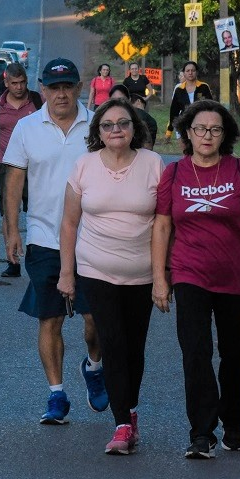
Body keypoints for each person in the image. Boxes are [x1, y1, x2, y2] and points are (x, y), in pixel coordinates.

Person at [151, 99, 240, 459]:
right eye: (200, 129)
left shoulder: (238, 169)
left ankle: (233, 422)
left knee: (234, 354)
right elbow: (161, 226)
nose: (207, 135)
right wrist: (160, 277)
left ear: (225, 135)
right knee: (196, 352)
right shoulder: (173, 174)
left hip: (236, 275)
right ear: (188, 133)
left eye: (215, 129)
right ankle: (201, 432)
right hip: (190, 273)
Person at [3, 57, 109, 424]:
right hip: (44, 238)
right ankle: (56, 395)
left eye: (68, 87)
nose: (61, 94)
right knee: (49, 319)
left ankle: (94, 366)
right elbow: (14, 180)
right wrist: (11, 229)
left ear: (80, 88)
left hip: (94, 238)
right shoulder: (27, 128)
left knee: (95, 319)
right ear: (43, 90)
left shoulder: (98, 124)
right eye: (53, 87)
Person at [58, 98, 163, 455]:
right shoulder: (84, 165)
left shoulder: (153, 164)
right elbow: (70, 222)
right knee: (113, 343)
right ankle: (121, 425)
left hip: (143, 273)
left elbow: (165, 224)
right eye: (107, 125)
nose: (115, 129)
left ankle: (130, 412)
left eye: (123, 123)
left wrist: (164, 274)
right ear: (97, 132)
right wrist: (66, 273)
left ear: (134, 129)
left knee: (135, 348)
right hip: (96, 270)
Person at [0, 62, 43, 278]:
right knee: (9, 214)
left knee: (40, 210)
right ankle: (13, 261)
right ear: (6, 82)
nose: (19, 87)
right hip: (7, 166)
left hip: (36, 165)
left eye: (23, 82)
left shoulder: (38, 101)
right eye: (15, 83)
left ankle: (41, 256)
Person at [164, 61, 213, 142]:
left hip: (201, 125)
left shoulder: (203, 87)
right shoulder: (179, 90)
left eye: (193, 70)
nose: (190, 73)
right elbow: (174, 112)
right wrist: (169, 131)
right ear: (184, 73)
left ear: (196, 72)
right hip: (184, 124)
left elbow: (211, 106)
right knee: (186, 152)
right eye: (187, 71)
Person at [109, 84, 156, 150]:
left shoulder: (140, 118)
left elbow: (148, 148)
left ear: (129, 100)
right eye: (113, 100)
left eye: (121, 100)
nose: (117, 103)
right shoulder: (106, 119)